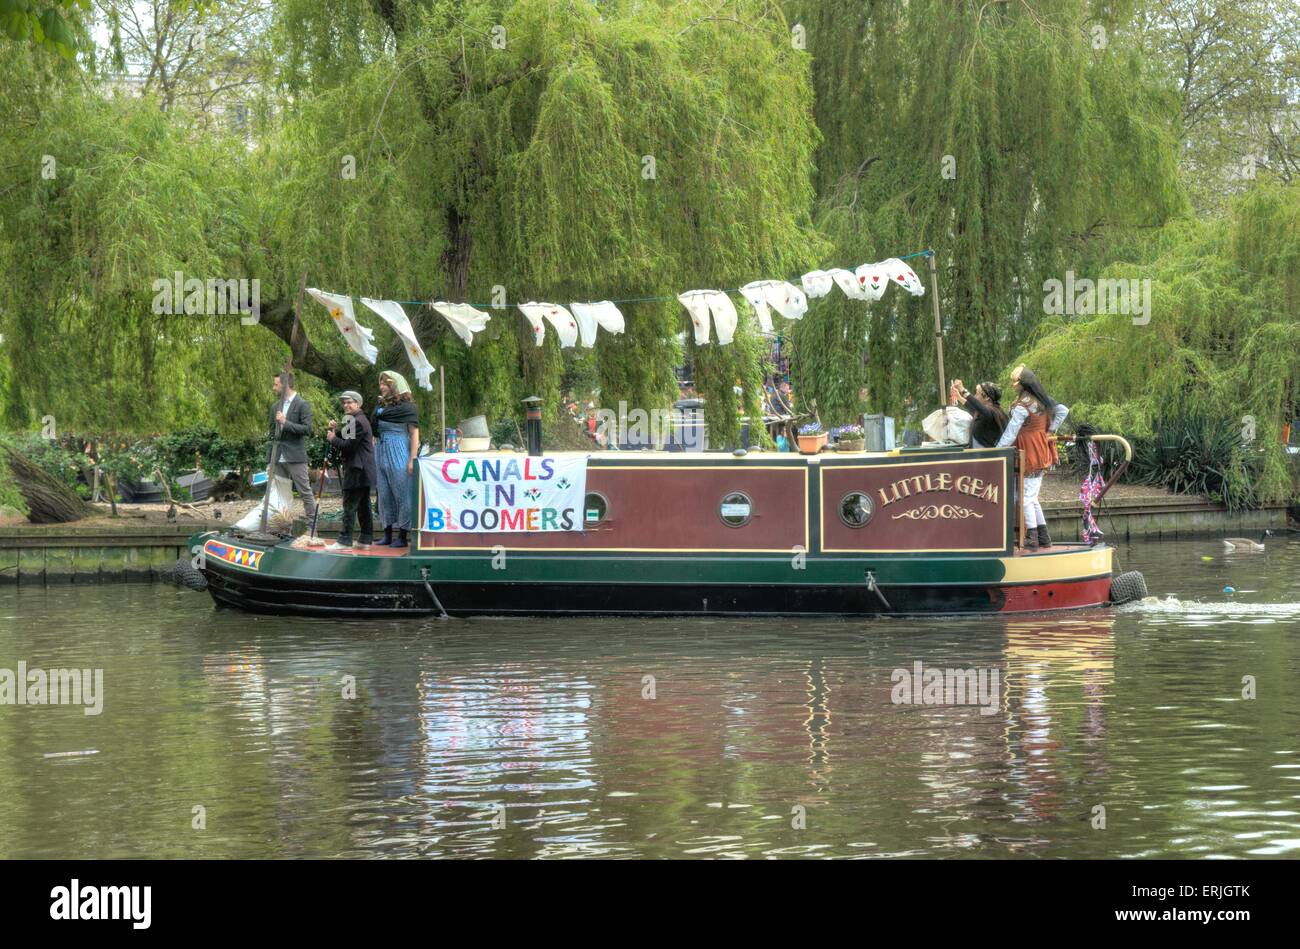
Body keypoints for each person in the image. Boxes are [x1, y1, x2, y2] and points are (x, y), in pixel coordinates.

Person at [996, 366, 1069, 550]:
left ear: (1022, 384)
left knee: (1026, 499)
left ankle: (1033, 538)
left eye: (1016, 383)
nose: (1014, 387)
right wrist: (1050, 430)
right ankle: (1043, 537)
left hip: (1027, 452)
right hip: (1040, 449)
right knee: (1032, 497)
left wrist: (997, 450)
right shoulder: (1041, 401)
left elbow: (1011, 432)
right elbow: (1062, 410)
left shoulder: (1023, 405)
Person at [372, 370, 420, 548]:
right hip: (381, 450)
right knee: (384, 494)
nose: (382, 386)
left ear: (395, 385)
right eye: (381, 383)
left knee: (402, 493)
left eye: (385, 383)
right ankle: (387, 534)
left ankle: (403, 535)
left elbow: (414, 433)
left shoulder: (408, 408)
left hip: (399, 448)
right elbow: (375, 427)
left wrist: (412, 459)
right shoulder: (380, 406)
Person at [325, 390, 377, 551]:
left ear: (358, 404)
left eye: (350, 402)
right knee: (363, 506)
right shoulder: (352, 420)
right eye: (344, 402)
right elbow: (346, 437)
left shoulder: (358, 421)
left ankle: (344, 540)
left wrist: (333, 439)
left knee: (349, 505)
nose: (346, 405)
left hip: (357, 469)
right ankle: (365, 539)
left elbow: (348, 446)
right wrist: (336, 431)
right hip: (362, 469)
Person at [267, 370, 316, 528]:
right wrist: (269, 459)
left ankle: (312, 528)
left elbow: (307, 429)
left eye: (276, 385)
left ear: (285, 385)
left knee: (304, 492)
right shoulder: (275, 407)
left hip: (295, 455)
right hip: (278, 456)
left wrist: (285, 422)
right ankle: (284, 528)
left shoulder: (303, 404)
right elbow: (272, 434)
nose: (273, 388)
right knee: (281, 494)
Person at [950, 378, 1009, 448]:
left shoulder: (992, 411)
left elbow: (978, 406)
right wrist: (959, 397)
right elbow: (972, 407)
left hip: (986, 455)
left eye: (977, 394)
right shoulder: (984, 412)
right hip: (977, 453)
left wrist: (963, 390)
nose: (975, 396)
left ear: (987, 398)